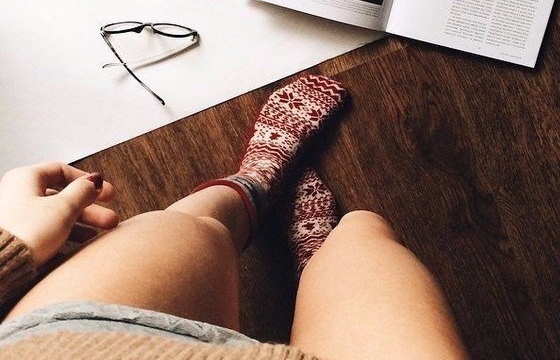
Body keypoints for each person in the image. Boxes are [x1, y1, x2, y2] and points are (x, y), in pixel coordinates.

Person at [0, 75, 469, 359]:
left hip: (70, 347)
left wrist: (10, 244)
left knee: (185, 230)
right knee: (363, 233)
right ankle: (315, 249)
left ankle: (258, 179)